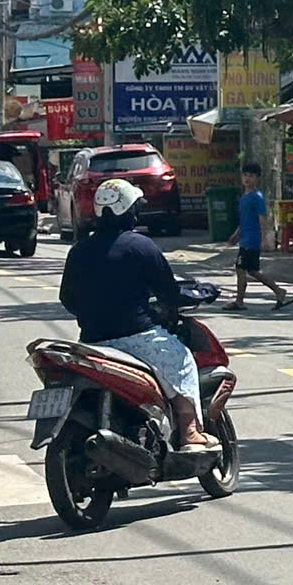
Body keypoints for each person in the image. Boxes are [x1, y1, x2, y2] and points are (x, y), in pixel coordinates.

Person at [60, 176, 211, 450]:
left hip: (92, 343)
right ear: (128, 211)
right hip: (137, 339)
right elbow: (169, 294)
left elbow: (67, 299)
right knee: (183, 361)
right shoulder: (141, 246)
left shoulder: (79, 250)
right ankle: (190, 431)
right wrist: (197, 294)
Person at [228, 159, 291, 309]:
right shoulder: (244, 197)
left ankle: (239, 301)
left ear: (257, 178)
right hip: (245, 239)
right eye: (245, 175)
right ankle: (278, 291)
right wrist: (236, 235)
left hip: (252, 240)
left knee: (241, 268)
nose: (247, 178)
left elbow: (262, 219)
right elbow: (245, 220)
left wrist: (263, 239)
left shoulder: (257, 197)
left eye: (251, 176)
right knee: (252, 271)